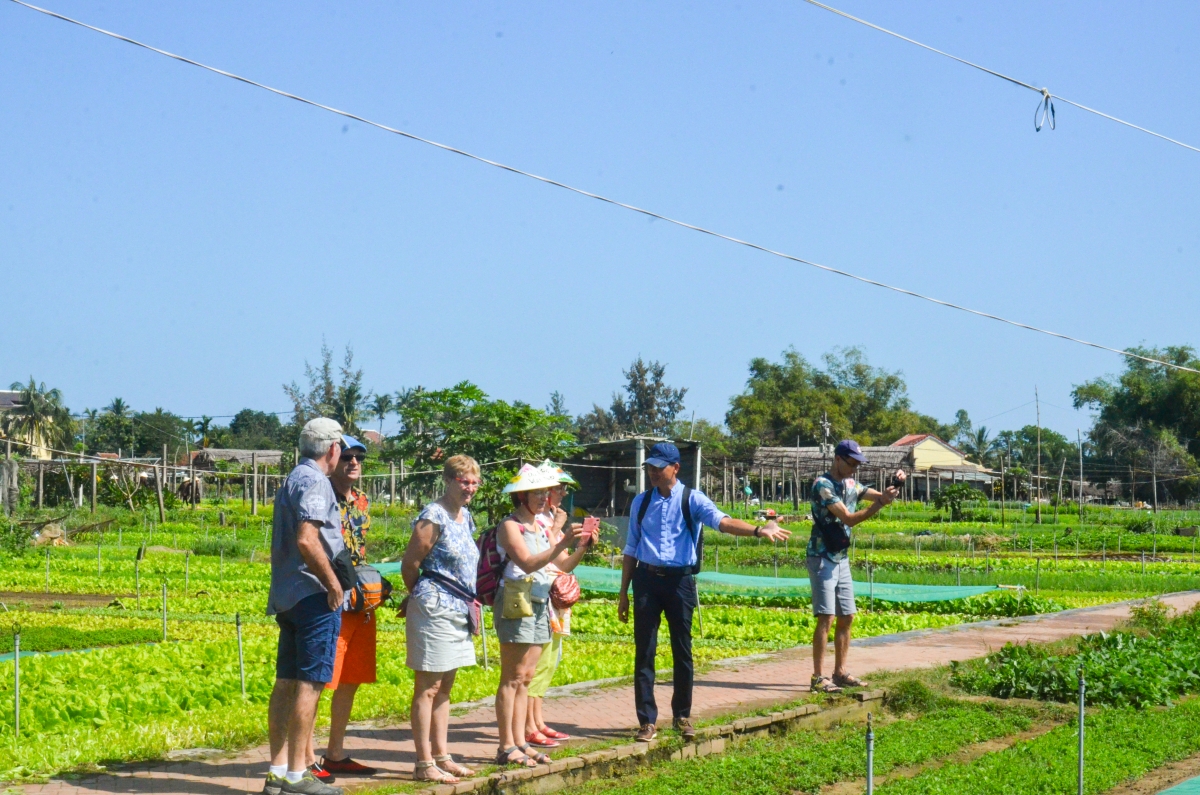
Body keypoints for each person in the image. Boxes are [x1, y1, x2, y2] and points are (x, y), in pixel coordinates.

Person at [619, 442, 790, 742]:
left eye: (659, 467)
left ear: (676, 468)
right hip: (645, 581)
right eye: (650, 467)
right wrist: (624, 592)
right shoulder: (641, 502)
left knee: (682, 651)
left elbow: (721, 522)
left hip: (679, 582)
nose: (653, 472)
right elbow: (632, 547)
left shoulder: (692, 499)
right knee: (644, 651)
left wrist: (756, 529)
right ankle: (647, 721)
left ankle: (682, 716)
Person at [265, 418, 346, 795]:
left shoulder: (293, 477)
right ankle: (298, 775)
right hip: (313, 594)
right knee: (310, 684)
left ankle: (278, 770)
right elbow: (307, 539)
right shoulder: (316, 481)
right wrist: (333, 584)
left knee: (286, 682)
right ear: (333, 448)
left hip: (286, 593)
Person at [493, 464, 594, 768]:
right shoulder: (511, 526)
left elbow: (563, 565)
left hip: (540, 603)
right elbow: (526, 562)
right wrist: (562, 541)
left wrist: (582, 545)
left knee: (526, 678)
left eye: (544, 491)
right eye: (536, 492)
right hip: (516, 600)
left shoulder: (541, 525)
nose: (542, 497)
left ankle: (521, 741)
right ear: (521, 495)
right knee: (512, 678)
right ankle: (506, 745)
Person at [400, 455, 483, 785]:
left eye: (474, 482)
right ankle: (423, 763)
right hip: (434, 608)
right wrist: (421, 596)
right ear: (447, 480)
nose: (470, 487)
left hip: (459, 608)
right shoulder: (433, 516)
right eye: (464, 481)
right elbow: (411, 564)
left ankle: (441, 755)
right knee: (428, 686)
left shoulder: (466, 517)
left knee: (445, 686)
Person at [306, 435, 378, 779]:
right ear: (334, 458)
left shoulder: (361, 501)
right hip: (332, 596)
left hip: (361, 600)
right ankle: (306, 756)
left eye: (359, 458)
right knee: (321, 680)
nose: (353, 462)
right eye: (347, 456)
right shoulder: (322, 496)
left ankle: (334, 752)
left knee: (350, 679)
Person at [807, 439, 905, 693]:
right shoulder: (823, 485)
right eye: (851, 463)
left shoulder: (851, 482)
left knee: (847, 615)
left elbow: (875, 495)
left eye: (858, 464)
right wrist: (880, 504)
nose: (855, 469)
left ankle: (839, 673)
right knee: (826, 617)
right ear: (838, 459)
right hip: (822, 557)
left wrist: (894, 487)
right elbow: (849, 518)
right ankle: (818, 678)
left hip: (841, 557)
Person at [524, 462, 582, 749]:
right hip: (539, 596)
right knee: (538, 660)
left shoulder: (550, 518)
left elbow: (564, 560)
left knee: (551, 659)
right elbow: (547, 555)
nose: (561, 493)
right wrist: (558, 530)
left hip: (555, 598)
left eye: (561, 489)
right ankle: (527, 724)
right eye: (557, 488)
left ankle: (537, 719)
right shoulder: (539, 521)